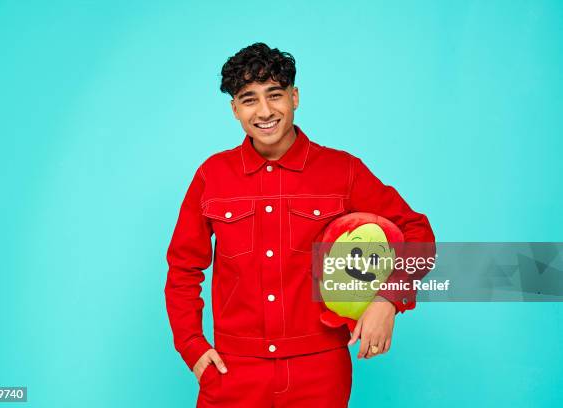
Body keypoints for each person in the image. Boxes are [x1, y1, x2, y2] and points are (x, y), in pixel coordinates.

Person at [165, 42, 435, 407]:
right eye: (249, 99)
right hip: (235, 370)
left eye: (274, 95)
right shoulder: (212, 176)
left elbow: (418, 234)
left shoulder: (342, 171)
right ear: (234, 109)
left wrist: (388, 300)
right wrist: (192, 348)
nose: (264, 111)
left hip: (319, 369)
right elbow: (183, 267)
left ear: (294, 97)